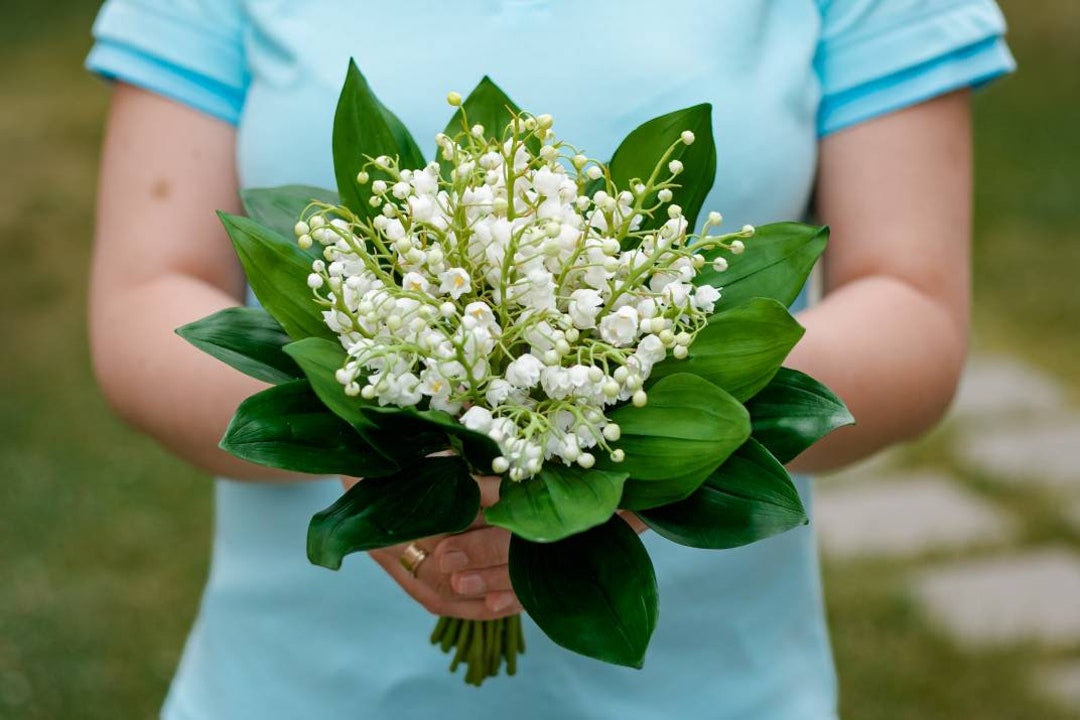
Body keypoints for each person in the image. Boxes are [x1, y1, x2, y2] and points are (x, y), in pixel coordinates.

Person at [85, 1, 1015, 718]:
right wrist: (389, 458)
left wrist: (635, 459)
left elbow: (912, 306)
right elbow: (145, 298)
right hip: (294, 688)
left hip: (711, 693)